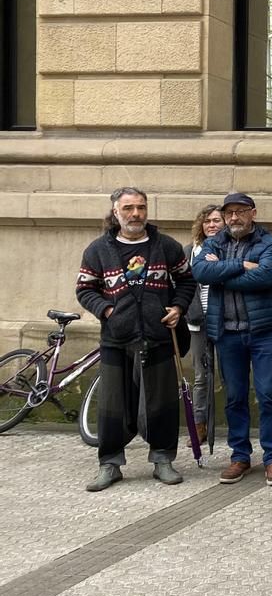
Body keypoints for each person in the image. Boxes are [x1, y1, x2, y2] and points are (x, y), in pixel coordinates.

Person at [77, 187, 196, 491]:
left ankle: (162, 460)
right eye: (128, 208)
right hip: (116, 339)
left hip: (158, 336)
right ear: (115, 212)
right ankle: (110, 464)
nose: (136, 214)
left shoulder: (166, 246)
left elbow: (186, 280)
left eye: (141, 207)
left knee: (162, 404)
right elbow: (85, 289)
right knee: (113, 406)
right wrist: (106, 311)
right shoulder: (97, 250)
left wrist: (178, 307)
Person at [193, 192, 272, 487]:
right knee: (235, 397)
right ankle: (240, 456)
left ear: (253, 213)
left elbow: (266, 277)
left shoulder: (270, 243)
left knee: (268, 393)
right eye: (229, 213)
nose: (234, 217)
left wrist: (221, 273)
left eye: (240, 212)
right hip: (227, 333)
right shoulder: (213, 243)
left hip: (262, 333)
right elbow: (199, 270)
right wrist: (242, 266)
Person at [185, 204, 223, 444]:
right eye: (207, 221)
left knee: (230, 376)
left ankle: (229, 424)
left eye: (217, 220)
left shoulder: (231, 249)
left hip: (225, 321)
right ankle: (199, 426)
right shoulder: (190, 251)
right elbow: (183, 286)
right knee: (201, 377)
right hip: (198, 322)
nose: (212, 225)